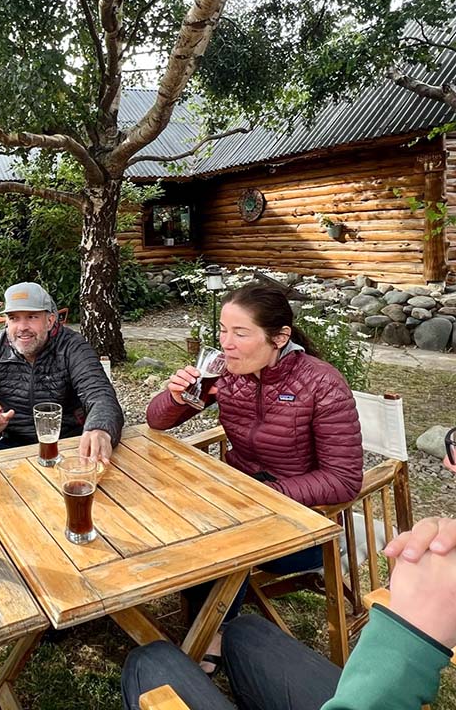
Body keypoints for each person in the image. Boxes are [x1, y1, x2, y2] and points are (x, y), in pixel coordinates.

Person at [122, 347, 456, 710]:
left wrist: (412, 631)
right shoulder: (230, 380)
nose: (452, 465)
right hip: (252, 512)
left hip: (291, 527)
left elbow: (341, 478)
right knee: (247, 633)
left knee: (153, 663)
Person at [145, 282, 362, 668]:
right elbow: (157, 422)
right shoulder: (228, 374)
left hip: (302, 528)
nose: (226, 344)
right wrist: (176, 396)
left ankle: (213, 631)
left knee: (214, 534)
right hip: (239, 503)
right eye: (223, 332)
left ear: (279, 337)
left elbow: (344, 478)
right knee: (179, 510)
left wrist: (264, 494)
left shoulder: (322, 383)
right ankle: (204, 614)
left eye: (240, 333)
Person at [0, 281, 123, 463]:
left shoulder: (73, 347)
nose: (22, 327)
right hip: (15, 444)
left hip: (69, 442)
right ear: (6, 322)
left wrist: (99, 429)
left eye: (31, 317)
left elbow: (101, 397)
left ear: (50, 320)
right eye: (14, 318)